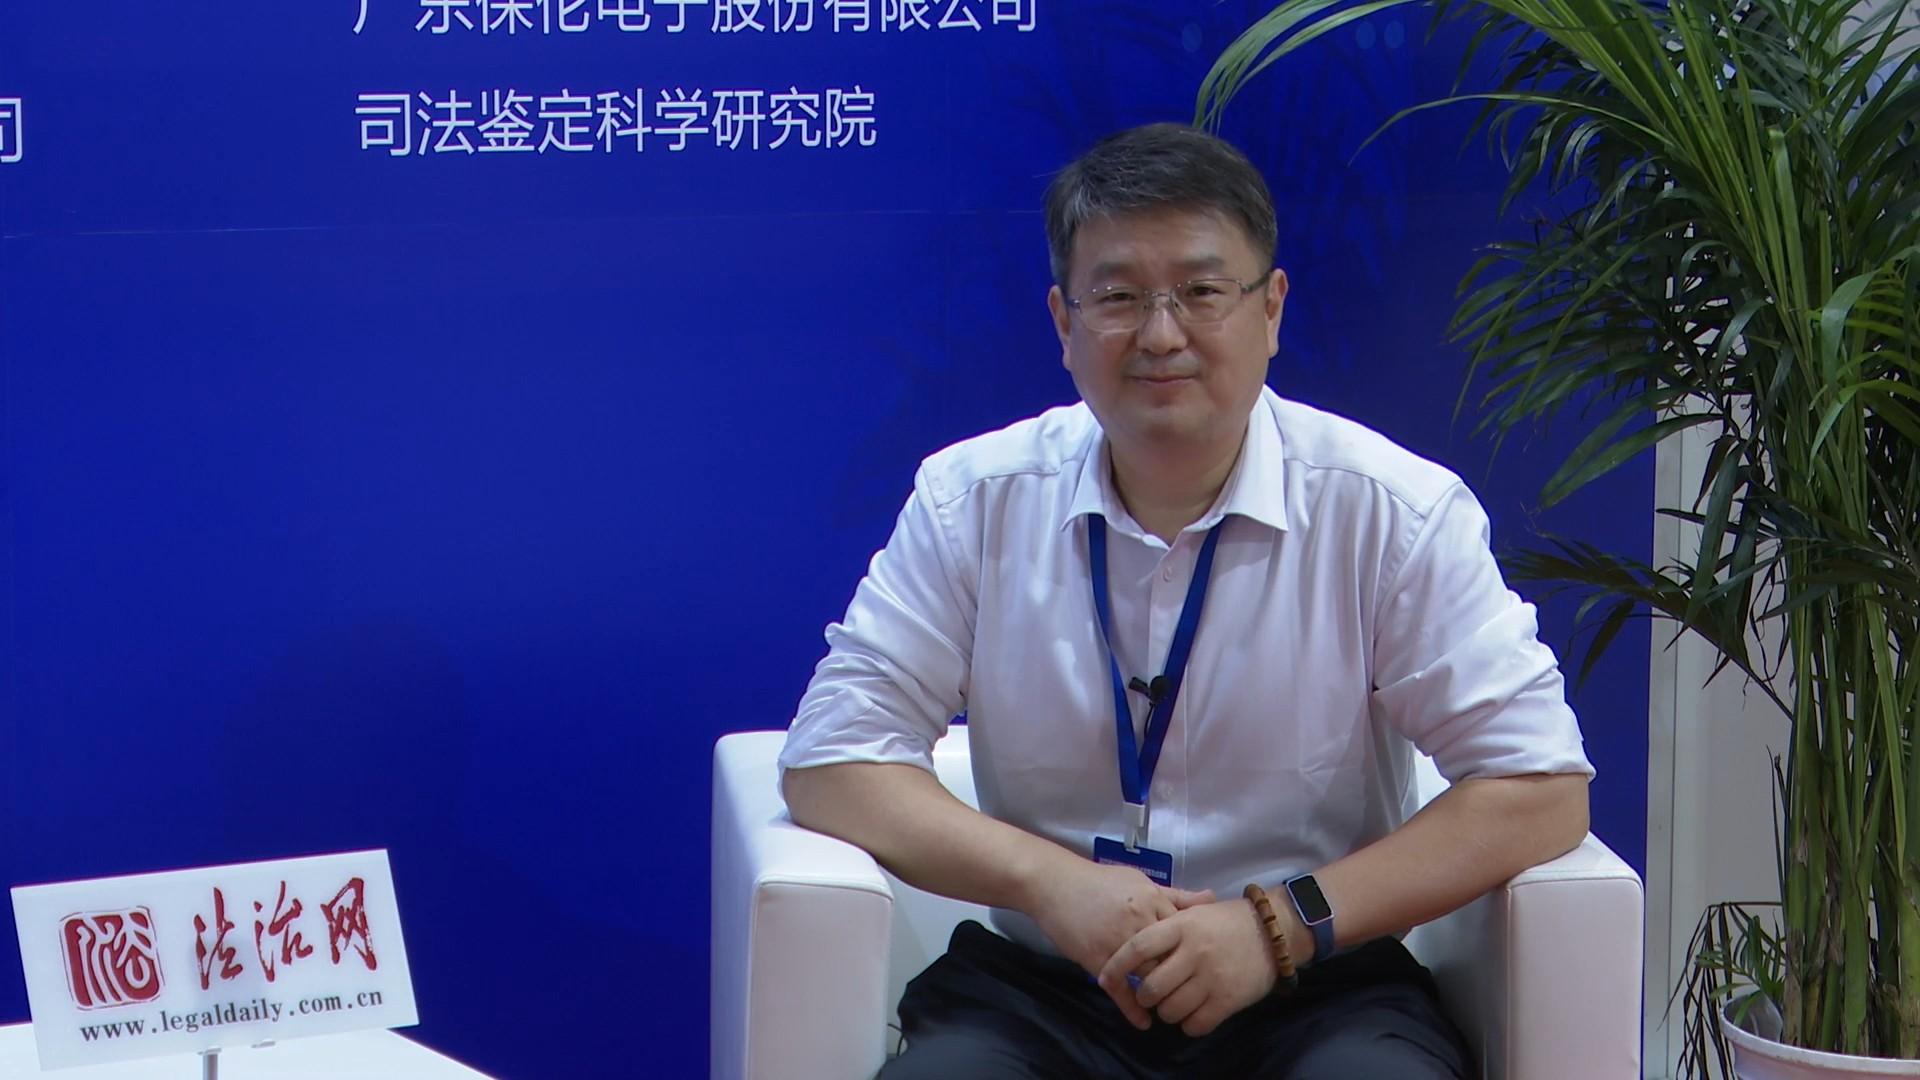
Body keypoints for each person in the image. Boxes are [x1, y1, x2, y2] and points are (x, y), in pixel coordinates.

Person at [777, 122, 1594, 1079]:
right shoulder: (974, 502)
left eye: (1202, 293)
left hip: (1315, 989)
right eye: (1119, 297)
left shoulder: (1391, 513)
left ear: (1271, 309)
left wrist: (1280, 924)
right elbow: (832, 760)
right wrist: (1050, 883)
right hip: (1049, 992)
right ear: (1064, 323)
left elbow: (1540, 788)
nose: (1161, 335)